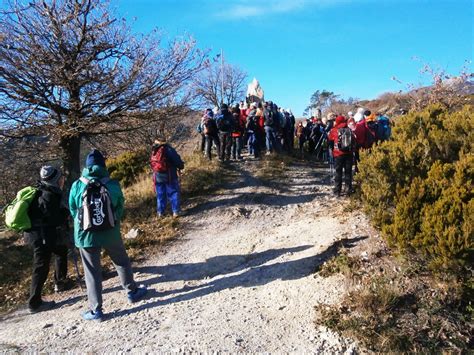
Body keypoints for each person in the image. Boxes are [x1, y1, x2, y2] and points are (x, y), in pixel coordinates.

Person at [69, 149, 147, 321]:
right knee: (121, 262)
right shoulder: (112, 184)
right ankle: (132, 292)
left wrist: (83, 223)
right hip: (110, 232)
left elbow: (73, 209)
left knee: (92, 272)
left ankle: (96, 310)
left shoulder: (77, 185)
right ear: (103, 166)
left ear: (87, 167)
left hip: (85, 235)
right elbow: (119, 207)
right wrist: (111, 222)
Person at [25, 166, 69, 313]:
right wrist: (65, 213)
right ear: (56, 180)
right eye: (60, 178)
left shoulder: (41, 190)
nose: (62, 180)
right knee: (41, 266)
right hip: (41, 236)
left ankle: (60, 282)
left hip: (38, 234)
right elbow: (55, 219)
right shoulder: (49, 195)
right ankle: (34, 303)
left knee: (61, 250)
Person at [150, 138, 185, 217]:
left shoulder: (154, 150)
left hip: (157, 176)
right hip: (169, 175)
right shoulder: (168, 149)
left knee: (160, 195)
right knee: (173, 192)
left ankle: (160, 213)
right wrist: (181, 166)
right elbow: (177, 160)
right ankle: (176, 211)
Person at [328, 116, 355, 196]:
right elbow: (353, 141)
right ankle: (348, 190)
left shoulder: (334, 130)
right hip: (349, 154)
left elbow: (330, 142)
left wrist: (332, 150)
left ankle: (337, 191)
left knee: (338, 172)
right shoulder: (349, 129)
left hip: (338, 154)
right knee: (348, 172)